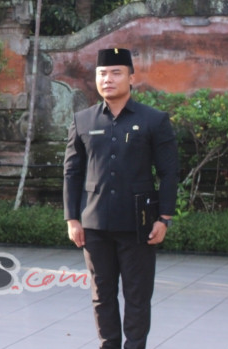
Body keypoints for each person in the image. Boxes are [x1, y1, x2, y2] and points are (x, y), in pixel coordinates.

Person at [63, 48, 179, 348]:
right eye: (102, 73)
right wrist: (72, 218)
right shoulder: (83, 120)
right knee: (101, 295)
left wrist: (164, 217)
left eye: (116, 73)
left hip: (139, 224)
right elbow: (72, 172)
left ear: (131, 78)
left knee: (137, 296)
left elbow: (169, 173)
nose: (108, 79)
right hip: (94, 224)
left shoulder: (154, 120)